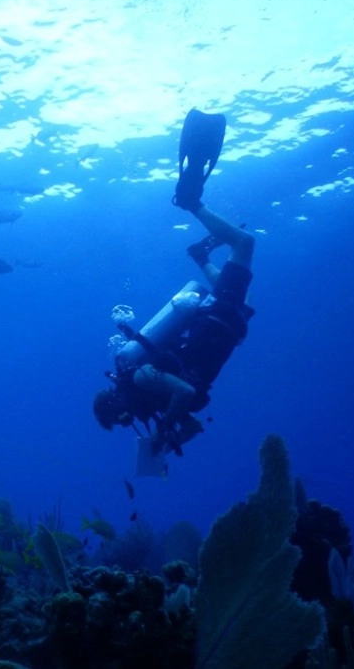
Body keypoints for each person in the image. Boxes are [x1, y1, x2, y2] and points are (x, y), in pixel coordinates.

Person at [92, 109, 255, 458]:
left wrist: (165, 425)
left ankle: (192, 203)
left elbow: (183, 392)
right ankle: (200, 256)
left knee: (244, 244)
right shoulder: (153, 403)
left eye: (120, 418)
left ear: (116, 404)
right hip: (222, 327)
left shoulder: (140, 381)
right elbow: (193, 423)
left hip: (215, 325)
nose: (127, 421)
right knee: (239, 289)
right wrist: (166, 439)